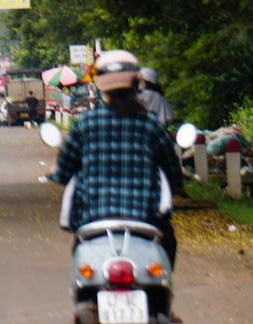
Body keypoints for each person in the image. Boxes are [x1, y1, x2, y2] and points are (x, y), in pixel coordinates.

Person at [49, 50, 184, 266]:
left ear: (101, 85)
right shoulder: (150, 124)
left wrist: (57, 174)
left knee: (80, 250)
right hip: (145, 217)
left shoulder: (85, 123)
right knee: (168, 243)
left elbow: (64, 171)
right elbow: (172, 170)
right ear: (136, 83)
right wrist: (176, 182)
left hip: (93, 217)